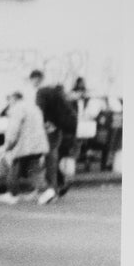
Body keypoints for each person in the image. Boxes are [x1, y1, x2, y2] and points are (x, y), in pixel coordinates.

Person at [0, 90, 50, 204]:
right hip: (38, 143)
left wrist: (8, 144)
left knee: (15, 167)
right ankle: (47, 191)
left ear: (14, 99)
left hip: (25, 145)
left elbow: (14, 128)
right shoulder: (34, 107)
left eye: (9, 100)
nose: (8, 103)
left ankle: (12, 194)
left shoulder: (17, 109)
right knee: (35, 170)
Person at [29, 69, 76, 202]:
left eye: (33, 80)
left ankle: (52, 189)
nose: (33, 82)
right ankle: (56, 186)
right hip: (60, 127)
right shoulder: (53, 90)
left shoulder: (41, 92)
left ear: (36, 79)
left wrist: (43, 125)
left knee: (50, 158)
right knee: (52, 157)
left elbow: (40, 111)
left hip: (50, 128)